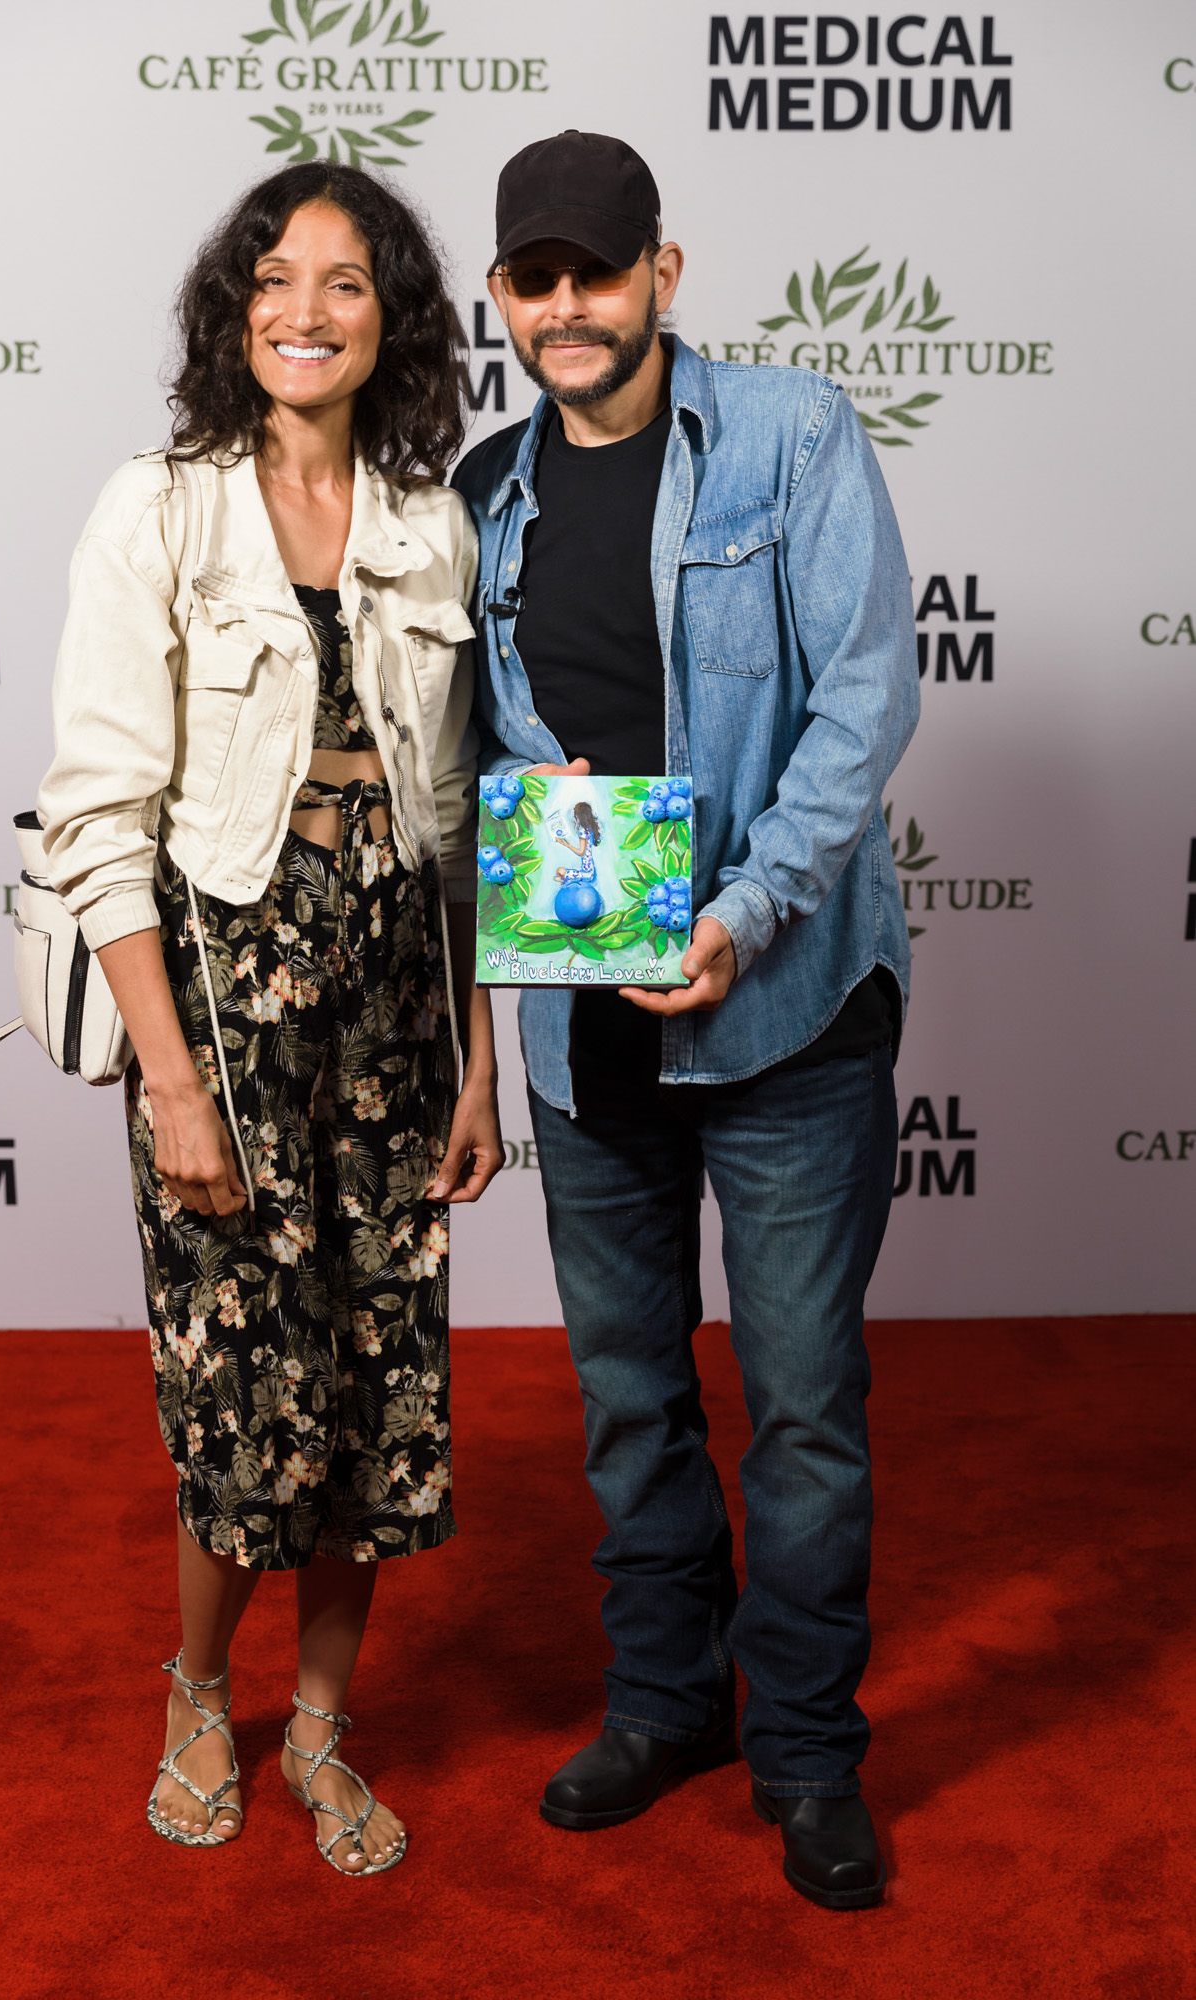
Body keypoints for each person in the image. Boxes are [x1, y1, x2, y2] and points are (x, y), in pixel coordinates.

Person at [453, 130, 919, 1910]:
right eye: (535, 277)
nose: (567, 305)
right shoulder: (485, 493)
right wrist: (525, 800)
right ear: (503, 297)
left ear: (663, 268)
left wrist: (740, 914)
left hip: (784, 1007)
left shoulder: (790, 436)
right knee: (630, 1400)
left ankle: (803, 1751)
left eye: (598, 268)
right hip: (584, 1034)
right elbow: (474, 755)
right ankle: (665, 1704)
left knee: (799, 1409)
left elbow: (862, 697)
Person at [38, 163, 502, 1870]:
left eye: (347, 283)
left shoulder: (429, 523)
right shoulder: (159, 509)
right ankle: (195, 1694)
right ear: (236, 312)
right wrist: (168, 1084)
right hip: (225, 1002)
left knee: (380, 1385)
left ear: (394, 322)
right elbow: (99, 819)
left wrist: (480, 1065)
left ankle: (317, 1728)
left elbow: (464, 826)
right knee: (247, 1388)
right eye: (276, 280)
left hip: (395, 1001)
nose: (308, 312)